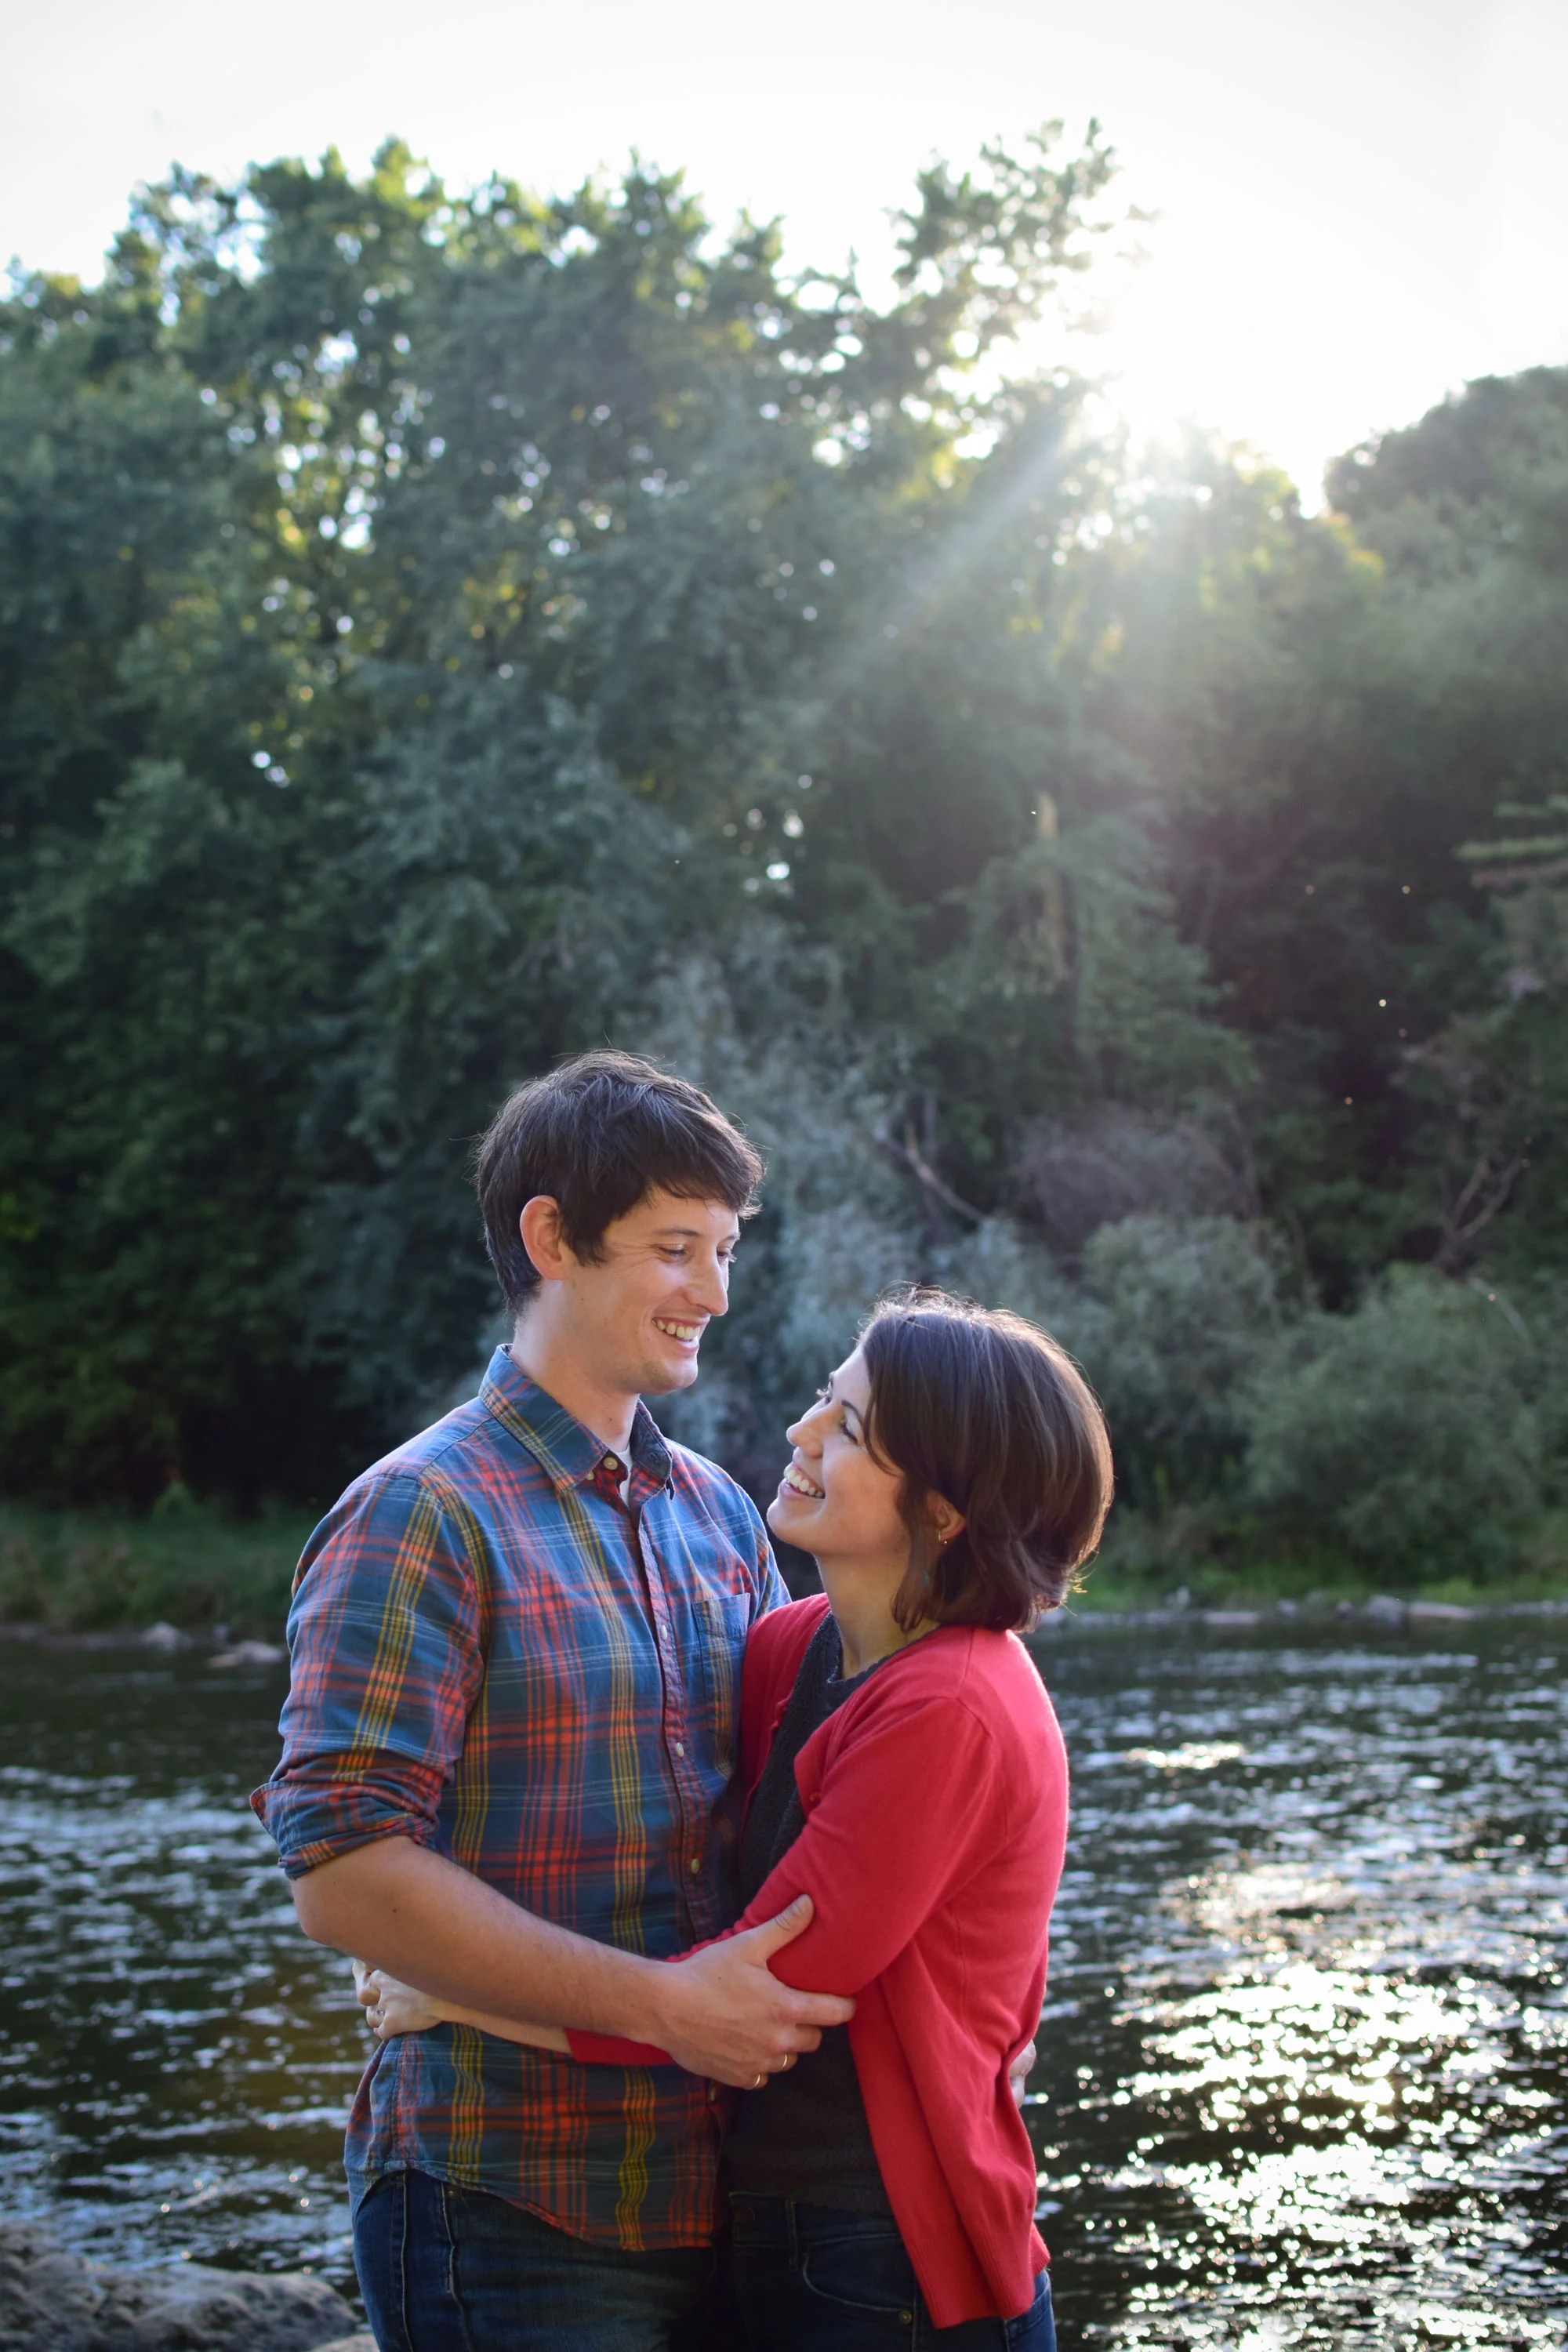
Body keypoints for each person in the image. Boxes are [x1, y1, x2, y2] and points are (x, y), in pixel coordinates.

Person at [361, 1291, 1113, 2350]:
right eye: (824, 1400)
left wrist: (464, 1998)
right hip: (774, 2233)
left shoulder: (955, 1700)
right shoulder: (792, 1651)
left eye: (848, 1429)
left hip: (888, 2260)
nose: (803, 1432)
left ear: (943, 1512)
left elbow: (751, 2007)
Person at [252, 1051, 862, 2352]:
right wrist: (662, 2008)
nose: (713, 1292)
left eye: (726, 1249)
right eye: (674, 1249)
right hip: (509, 2200)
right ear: (551, 1239)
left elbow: (784, 1823)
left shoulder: (722, 1518)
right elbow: (343, 1873)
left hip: (737, 2199)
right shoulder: (418, 1514)